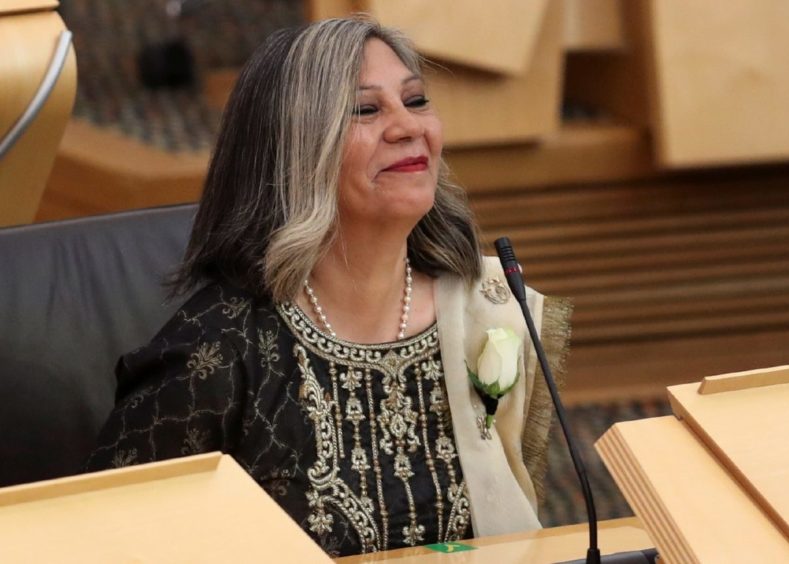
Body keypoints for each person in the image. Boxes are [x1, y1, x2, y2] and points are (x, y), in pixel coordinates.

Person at [86, 15, 571, 557]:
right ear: (291, 148)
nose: (408, 127)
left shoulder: (490, 311)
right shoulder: (216, 354)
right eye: (366, 109)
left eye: (415, 101)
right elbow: (101, 541)